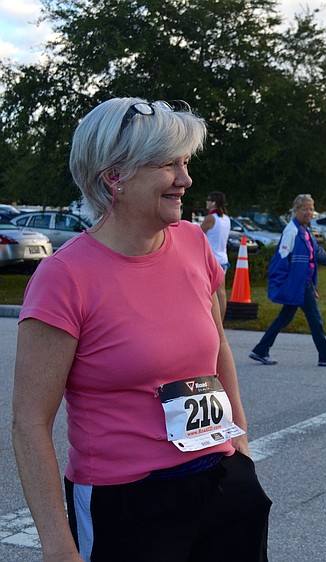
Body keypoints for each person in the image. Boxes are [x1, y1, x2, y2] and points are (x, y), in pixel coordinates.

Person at [12, 97, 271, 562]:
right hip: (128, 505)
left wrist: (242, 449)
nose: (186, 180)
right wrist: (57, 545)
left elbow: (220, 354)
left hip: (222, 481)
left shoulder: (194, 244)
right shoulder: (64, 278)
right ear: (116, 176)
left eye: (186, 162)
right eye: (168, 164)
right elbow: (30, 423)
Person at [249, 194, 326, 367]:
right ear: (296, 210)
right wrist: (279, 283)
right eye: (305, 209)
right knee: (315, 319)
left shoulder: (305, 231)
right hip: (299, 285)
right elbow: (281, 258)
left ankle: (260, 350)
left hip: (303, 283)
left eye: (311, 209)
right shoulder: (292, 231)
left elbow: (317, 253)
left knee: (284, 318)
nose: (309, 212)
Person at [201, 191, 232, 319]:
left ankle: (210, 322)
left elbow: (197, 234)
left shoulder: (210, 218)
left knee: (207, 294)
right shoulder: (226, 219)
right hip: (223, 259)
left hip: (210, 260)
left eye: (208, 200)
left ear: (213, 202)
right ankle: (221, 323)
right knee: (221, 293)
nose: (206, 202)